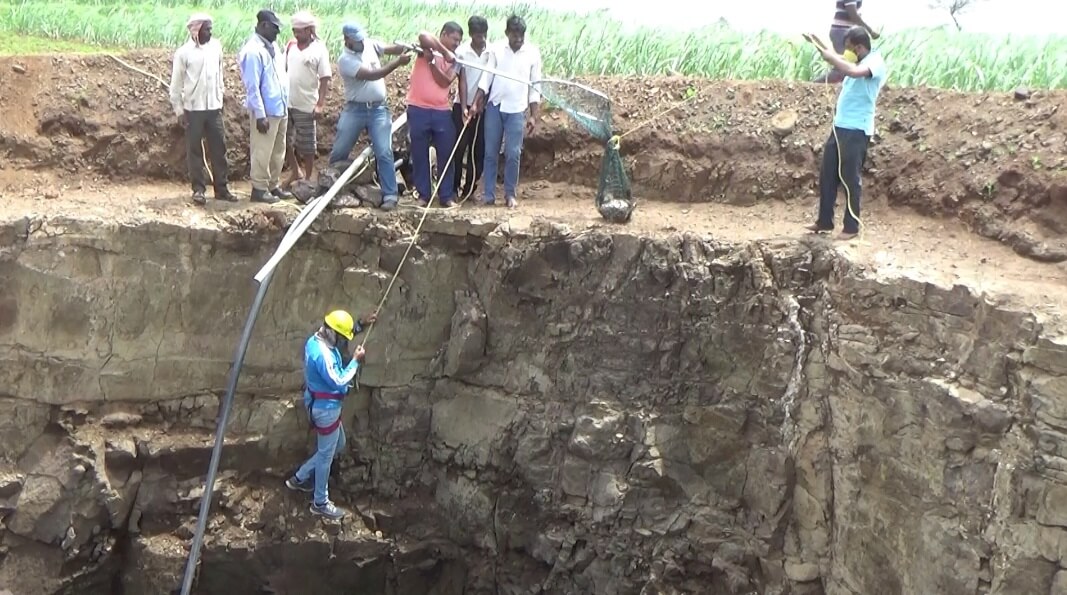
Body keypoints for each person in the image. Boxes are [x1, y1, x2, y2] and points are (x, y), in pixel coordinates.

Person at [286, 309, 376, 519]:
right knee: (326, 455)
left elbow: (339, 337)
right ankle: (320, 502)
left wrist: (359, 324)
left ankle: (300, 478)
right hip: (325, 410)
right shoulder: (323, 355)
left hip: (322, 405)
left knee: (338, 444)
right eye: (342, 337)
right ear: (332, 334)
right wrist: (355, 360)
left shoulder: (317, 340)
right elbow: (338, 380)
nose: (343, 341)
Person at [806, 26, 888, 241]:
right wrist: (818, 44)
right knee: (828, 174)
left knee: (850, 179)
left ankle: (851, 227)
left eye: (850, 48)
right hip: (840, 126)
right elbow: (843, 61)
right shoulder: (859, 60)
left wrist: (831, 58)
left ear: (860, 47)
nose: (847, 52)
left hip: (856, 130)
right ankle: (825, 221)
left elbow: (852, 71)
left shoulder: (873, 63)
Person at [328, 23, 412, 212]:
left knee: (384, 151)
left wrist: (410, 47)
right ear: (347, 39)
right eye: (357, 39)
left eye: (361, 38)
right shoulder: (345, 60)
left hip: (378, 110)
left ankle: (390, 195)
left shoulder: (369, 45)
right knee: (340, 150)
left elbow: (392, 48)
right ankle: (330, 186)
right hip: (355, 110)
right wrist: (398, 63)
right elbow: (374, 75)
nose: (361, 42)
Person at [471, 15, 542, 209]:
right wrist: (477, 101)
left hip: (517, 108)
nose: (518, 39)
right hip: (495, 106)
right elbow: (487, 77)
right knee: (490, 152)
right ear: (507, 33)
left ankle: (510, 194)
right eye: (515, 35)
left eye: (521, 35)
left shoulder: (533, 54)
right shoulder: (496, 50)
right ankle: (489, 195)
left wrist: (534, 116)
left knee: (513, 153)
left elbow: (535, 86)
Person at [168, 12, 235, 205]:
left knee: (219, 149)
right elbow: (176, 85)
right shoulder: (184, 53)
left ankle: (222, 189)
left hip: (214, 108)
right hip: (193, 110)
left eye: (210, 28)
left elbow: (220, 75)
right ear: (196, 31)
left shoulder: (216, 47)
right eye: (207, 29)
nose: (210, 32)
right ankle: (198, 190)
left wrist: (220, 98)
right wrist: (179, 111)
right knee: (194, 151)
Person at [237, 9, 292, 204]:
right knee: (262, 150)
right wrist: (260, 115)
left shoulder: (274, 47)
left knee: (278, 150)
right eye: (275, 27)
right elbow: (252, 86)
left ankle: (273, 185)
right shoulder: (253, 51)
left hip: (280, 106)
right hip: (266, 111)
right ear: (264, 25)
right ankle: (259, 189)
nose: (278, 32)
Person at [407, 23, 463, 208]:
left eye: (459, 41)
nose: (456, 44)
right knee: (419, 153)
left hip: (441, 111)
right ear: (443, 34)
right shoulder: (429, 46)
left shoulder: (456, 59)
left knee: (446, 154)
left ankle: (446, 196)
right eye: (454, 39)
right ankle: (424, 195)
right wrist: (441, 51)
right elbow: (423, 33)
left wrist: (431, 62)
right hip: (417, 108)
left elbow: (445, 81)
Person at [283, 11, 331, 187]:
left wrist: (320, 104)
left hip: (307, 105)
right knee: (285, 142)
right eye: (294, 30)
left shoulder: (319, 49)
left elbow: (325, 78)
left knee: (307, 145)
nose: (296, 34)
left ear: (310, 30)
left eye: (300, 31)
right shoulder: (290, 47)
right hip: (287, 102)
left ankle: (308, 179)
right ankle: (296, 172)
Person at [452, 16, 490, 201]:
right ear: (471, 34)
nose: (481, 40)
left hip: (482, 106)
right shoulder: (462, 52)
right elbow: (462, 80)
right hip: (462, 104)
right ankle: (453, 189)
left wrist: (478, 104)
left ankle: (469, 191)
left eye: (483, 35)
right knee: (459, 148)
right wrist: (464, 109)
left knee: (478, 150)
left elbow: (487, 80)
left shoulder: (491, 53)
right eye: (477, 36)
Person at [813, 0, 879, 84]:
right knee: (842, 68)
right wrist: (870, 31)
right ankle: (815, 84)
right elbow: (853, 15)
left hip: (844, 31)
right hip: (842, 31)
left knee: (846, 63)